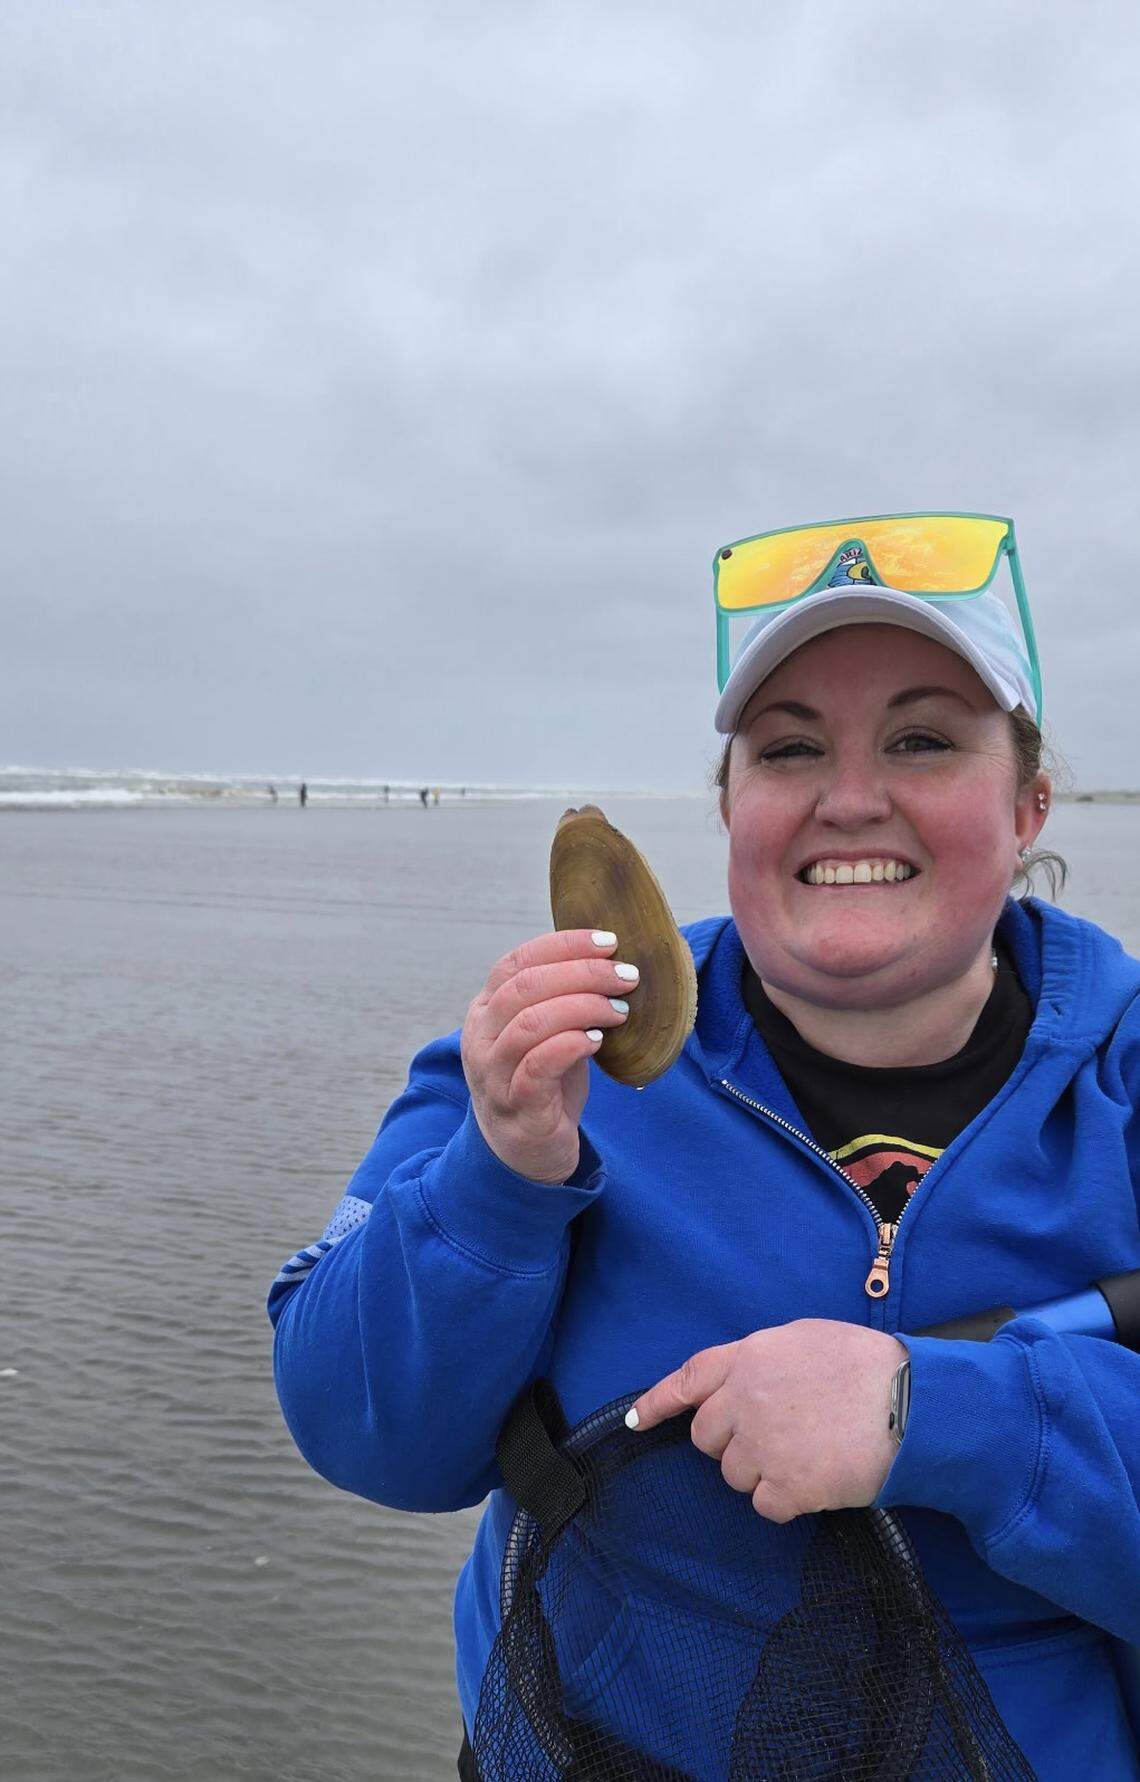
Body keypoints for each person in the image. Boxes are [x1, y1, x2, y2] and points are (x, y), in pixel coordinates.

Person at [269, 514, 1140, 1779]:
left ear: (1028, 804)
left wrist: (939, 1414)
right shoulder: (551, 1064)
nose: (851, 798)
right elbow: (360, 1432)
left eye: (922, 739)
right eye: (789, 748)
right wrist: (500, 1180)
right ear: (731, 805)